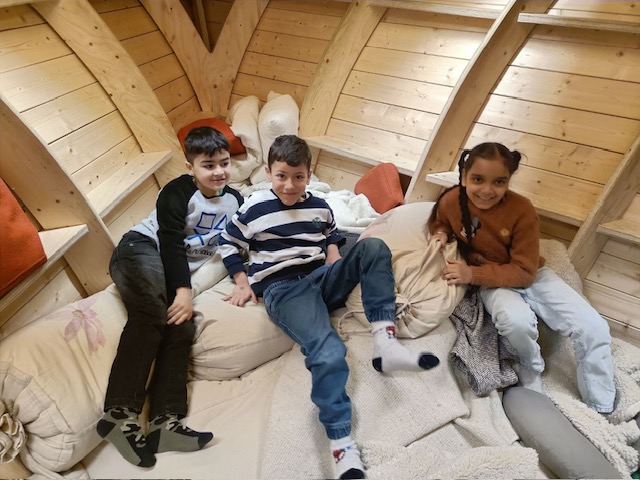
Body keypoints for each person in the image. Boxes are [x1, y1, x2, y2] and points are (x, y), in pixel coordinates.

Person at [218, 134, 440, 480]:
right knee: (329, 351)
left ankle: (385, 343)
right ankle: (342, 446)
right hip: (284, 290)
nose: (289, 185)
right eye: (281, 176)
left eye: (298, 177)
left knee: (374, 247)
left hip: (320, 277)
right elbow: (228, 243)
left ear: (309, 174)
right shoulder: (254, 208)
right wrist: (242, 282)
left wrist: (335, 260)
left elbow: (331, 235)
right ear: (268, 173)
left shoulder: (321, 206)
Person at [426, 142, 616, 414]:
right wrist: (441, 233)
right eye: (478, 179)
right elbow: (440, 219)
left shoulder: (521, 209)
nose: (487, 190)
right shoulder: (451, 200)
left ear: (508, 181)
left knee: (593, 327)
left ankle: (601, 406)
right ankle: (531, 367)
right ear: (464, 176)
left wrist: (472, 274)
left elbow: (525, 272)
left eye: (499, 182)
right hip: (492, 282)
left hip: (530, 274)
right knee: (515, 322)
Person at [97, 127, 244, 467]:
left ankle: (165, 423)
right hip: (141, 249)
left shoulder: (235, 200)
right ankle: (118, 414)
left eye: (224, 163)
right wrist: (183, 290)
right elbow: (170, 242)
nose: (219, 172)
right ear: (190, 167)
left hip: (172, 268)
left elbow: (240, 239)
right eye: (208, 165)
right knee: (152, 311)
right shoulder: (176, 192)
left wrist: (241, 278)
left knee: (181, 323)